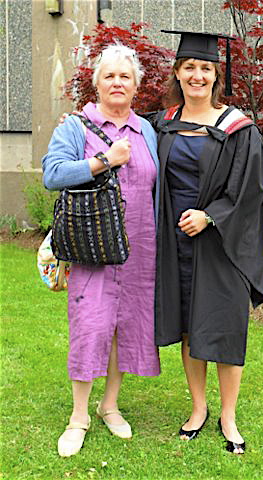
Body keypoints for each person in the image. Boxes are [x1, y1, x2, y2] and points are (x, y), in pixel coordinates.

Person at [149, 30, 263, 454]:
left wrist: (211, 216)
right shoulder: (162, 123)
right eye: (190, 68)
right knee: (189, 327)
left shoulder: (237, 128)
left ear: (215, 75)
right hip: (176, 243)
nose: (197, 75)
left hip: (220, 243)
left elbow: (252, 189)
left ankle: (229, 416)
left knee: (224, 326)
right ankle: (198, 408)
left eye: (205, 68)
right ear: (178, 74)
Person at [42, 44, 160, 457]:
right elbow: (52, 175)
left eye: (125, 76)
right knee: (90, 325)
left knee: (125, 326)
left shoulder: (147, 130)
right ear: (96, 83)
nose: (117, 82)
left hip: (140, 247)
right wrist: (102, 161)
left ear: (136, 86)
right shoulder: (76, 127)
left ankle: (110, 406)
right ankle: (79, 416)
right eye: (109, 75)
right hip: (92, 247)